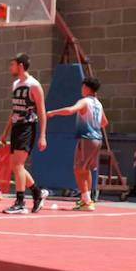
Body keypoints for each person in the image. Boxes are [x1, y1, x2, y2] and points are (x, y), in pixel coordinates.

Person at [46, 76, 109, 211]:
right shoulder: (98, 103)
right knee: (86, 170)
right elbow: (104, 122)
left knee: (78, 169)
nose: (81, 89)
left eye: (82, 86)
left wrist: (53, 112)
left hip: (87, 138)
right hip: (98, 139)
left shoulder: (85, 101)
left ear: (86, 87)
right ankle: (86, 199)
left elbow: (70, 110)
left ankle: (87, 201)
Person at [1, 53, 47, 214]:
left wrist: (43, 135)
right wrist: (6, 131)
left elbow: (42, 111)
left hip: (28, 127)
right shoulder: (15, 84)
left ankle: (20, 202)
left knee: (19, 165)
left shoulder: (34, 85)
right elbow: (14, 110)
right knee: (15, 166)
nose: (10, 68)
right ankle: (37, 192)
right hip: (16, 127)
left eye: (12, 64)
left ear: (20, 65)